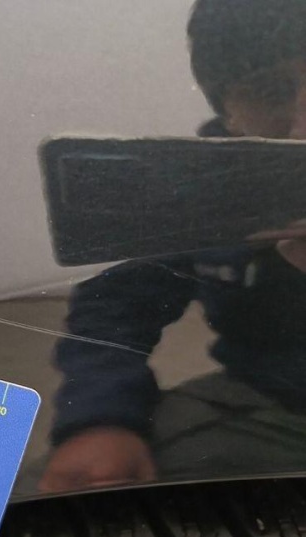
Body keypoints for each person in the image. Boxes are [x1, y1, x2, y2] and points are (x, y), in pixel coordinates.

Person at [39, 0, 306, 492]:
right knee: (39, 499)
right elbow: (115, 304)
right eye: (270, 92)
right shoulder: (203, 188)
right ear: (227, 111)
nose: (302, 125)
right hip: (262, 399)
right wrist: (101, 417)